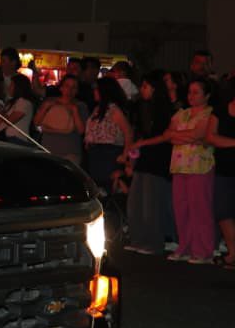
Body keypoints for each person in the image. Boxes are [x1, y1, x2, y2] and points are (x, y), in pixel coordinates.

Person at [124, 71, 178, 255]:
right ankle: (138, 239)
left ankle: (154, 242)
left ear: (154, 88)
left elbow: (164, 136)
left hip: (157, 158)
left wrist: (142, 143)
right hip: (144, 158)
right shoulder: (143, 107)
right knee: (135, 202)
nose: (142, 90)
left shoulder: (163, 108)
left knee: (151, 204)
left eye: (145, 86)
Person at [165, 78, 217, 264]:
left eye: (196, 92)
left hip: (200, 166)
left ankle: (203, 250)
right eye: (190, 92)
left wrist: (182, 136)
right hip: (180, 165)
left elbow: (199, 134)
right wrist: (186, 137)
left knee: (200, 208)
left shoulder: (209, 114)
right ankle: (185, 246)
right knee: (181, 208)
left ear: (207, 95)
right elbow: (169, 135)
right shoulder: (182, 113)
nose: (191, 96)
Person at [83, 77, 134, 195]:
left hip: (109, 152)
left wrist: (125, 154)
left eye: (97, 90)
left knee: (108, 184)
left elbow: (128, 133)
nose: (94, 92)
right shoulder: (98, 108)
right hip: (95, 152)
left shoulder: (114, 110)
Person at [205, 84, 235, 269]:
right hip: (224, 167)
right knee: (223, 211)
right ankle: (233, 252)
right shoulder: (221, 110)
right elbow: (210, 137)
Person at [35, 75, 86, 164]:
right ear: (61, 87)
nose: (70, 90)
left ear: (77, 90)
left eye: (74, 87)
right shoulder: (49, 102)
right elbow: (36, 123)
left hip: (70, 153)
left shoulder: (80, 105)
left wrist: (75, 111)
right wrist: (45, 108)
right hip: (47, 150)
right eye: (67, 86)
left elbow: (81, 130)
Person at [0, 72, 38, 144]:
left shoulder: (24, 102)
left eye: (11, 85)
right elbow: (0, 122)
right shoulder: (13, 102)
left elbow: (10, 121)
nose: (9, 87)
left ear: (18, 87)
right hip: (5, 138)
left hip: (16, 139)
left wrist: (1, 112)